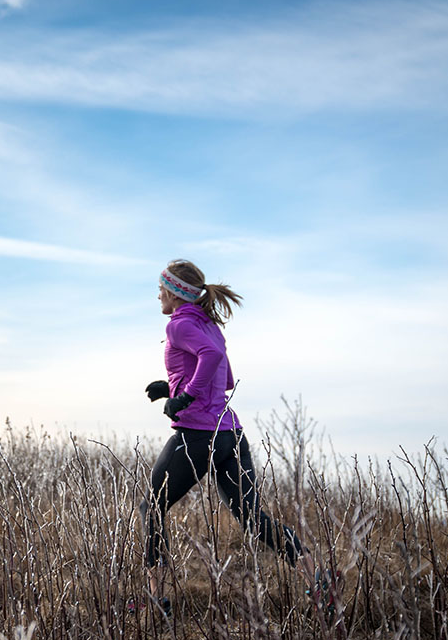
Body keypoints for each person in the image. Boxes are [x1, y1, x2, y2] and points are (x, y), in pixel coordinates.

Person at [140, 259, 335, 614]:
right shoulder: (209, 325)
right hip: (230, 433)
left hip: (197, 435)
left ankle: (158, 599)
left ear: (172, 292)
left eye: (160, 290)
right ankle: (316, 577)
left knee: (151, 506)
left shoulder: (179, 325)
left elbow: (211, 358)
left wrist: (185, 397)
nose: (157, 297)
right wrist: (170, 385)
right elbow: (223, 377)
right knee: (252, 518)